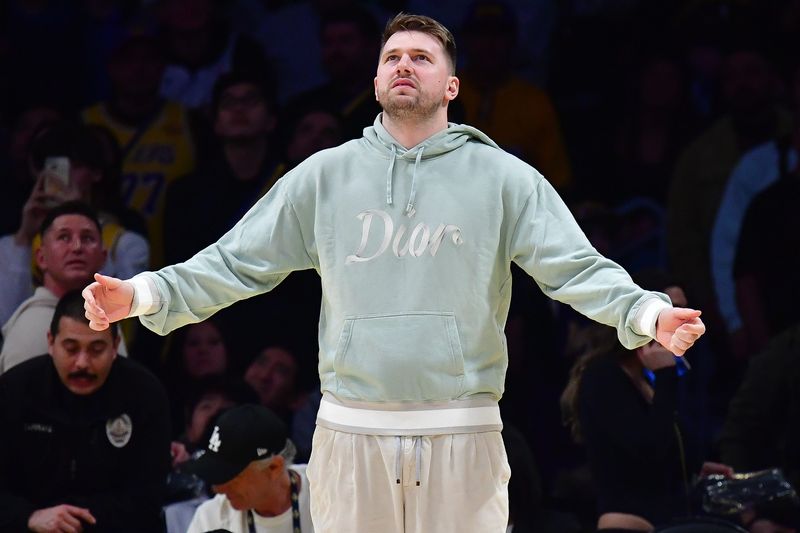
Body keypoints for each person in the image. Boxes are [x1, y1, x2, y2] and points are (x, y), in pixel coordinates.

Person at [82, 13, 706, 532]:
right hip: (352, 429)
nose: (404, 65)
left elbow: (575, 268)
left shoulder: (503, 177)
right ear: (376, 79)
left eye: (422, 57)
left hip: (462, 429)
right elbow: (234, 261)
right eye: (393, 57)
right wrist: (141, 292)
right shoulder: (324, 175)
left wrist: (647, 312)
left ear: (453, 86)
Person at [0, 290, 171, 532]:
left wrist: (73, 519)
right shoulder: (14, 390)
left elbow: (148, 497)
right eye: (71, 348)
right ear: (51, 342)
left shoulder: (144, 394)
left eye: (96, 349)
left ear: (115, 346)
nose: (82, 363)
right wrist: (28, 517)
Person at [1, 201, 127, 374]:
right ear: (41, 258)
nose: (77, 247)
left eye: (87, 238)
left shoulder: (106, 317)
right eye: (64, 237)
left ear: (103, 258)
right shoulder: (30, 328)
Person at [183, 404, 313, 533]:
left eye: (231, 476)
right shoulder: (211, 519)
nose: (218, 489)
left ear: (274, 467)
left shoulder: (328, 492)